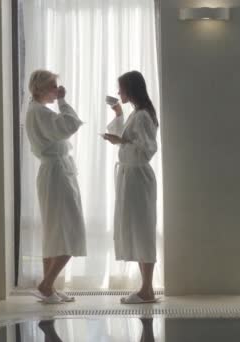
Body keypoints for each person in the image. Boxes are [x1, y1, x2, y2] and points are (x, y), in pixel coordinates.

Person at [25, 69, 87, 304]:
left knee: (54, 229)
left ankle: (49, 287)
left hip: (54, 172)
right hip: (57, 175)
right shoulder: (40, 112)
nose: (56, 90)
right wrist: (62, 100)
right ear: (40, 88)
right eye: (52, 86)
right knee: (69, 228)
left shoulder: (36, 111)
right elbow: (70, 124)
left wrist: (58, 100)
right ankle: (46, 284)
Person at [103, 70, 159, 304]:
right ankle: (145, 288)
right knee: (138, 229)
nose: (118, 92)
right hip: (130, 177)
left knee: (143, 230)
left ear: (131, 89)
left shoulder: (144, 115)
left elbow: (148, 149)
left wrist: (122, 141)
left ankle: (147, 290)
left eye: (121, 89)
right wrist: (118, 113)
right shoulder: (137, 113)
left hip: (137, 177)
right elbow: (128, 136)